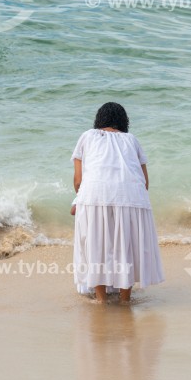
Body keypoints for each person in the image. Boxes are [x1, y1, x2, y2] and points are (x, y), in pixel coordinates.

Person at [70, 102, 165, 303]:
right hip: (132, 195)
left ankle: (102, 300)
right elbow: (144, 180)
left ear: (99, 120)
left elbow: (78, 180)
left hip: (95, 195)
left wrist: (80, 200)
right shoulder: (132, 140)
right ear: (123, 122)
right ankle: (124, 299)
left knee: (96, 245)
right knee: (125, 246)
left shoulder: (87, 136)